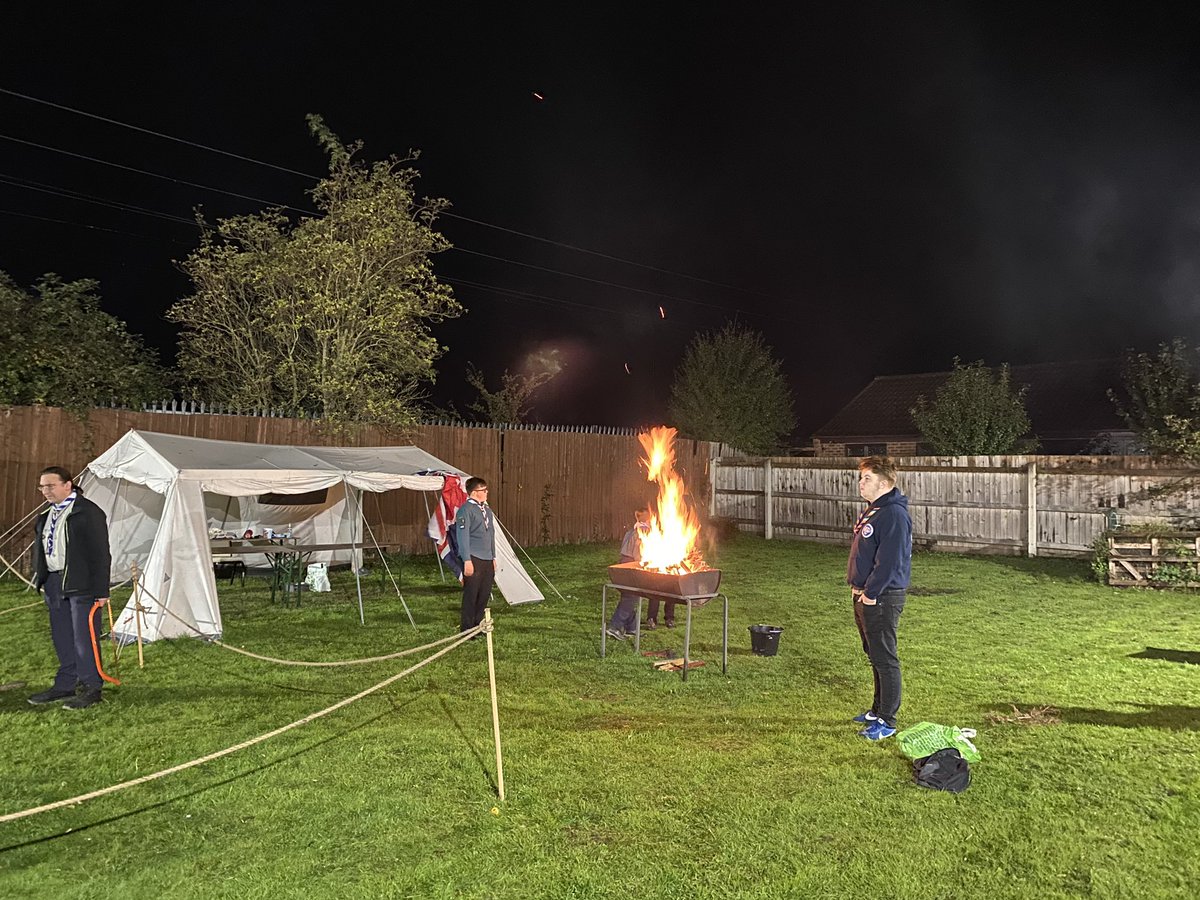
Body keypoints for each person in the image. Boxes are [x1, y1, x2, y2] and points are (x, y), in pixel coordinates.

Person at [28, 466, 112, 710]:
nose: (45, 491)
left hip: (81, 583)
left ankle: (91, 686)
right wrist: (41, 576)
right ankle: (65, 683)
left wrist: (101, 590)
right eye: (42, 486)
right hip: (54, 583)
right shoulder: (46, 515)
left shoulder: (88, 512)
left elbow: (100, 553)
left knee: (84, 637)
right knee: (62, 635)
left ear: (68, 485)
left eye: (50, 485)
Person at [846, 456, 912, 741]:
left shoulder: (894, 514)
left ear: (884, 483)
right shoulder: (876, 511)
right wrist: (858, 588)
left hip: (882, 597)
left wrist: (871, 593)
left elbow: (889, 562)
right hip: (866, 595)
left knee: (885, 658)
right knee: (873, 654)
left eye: (867, 479)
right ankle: (877, 710)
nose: (861, 483)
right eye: (861, 478)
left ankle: (888, 720)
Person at [455, 476, 496, 634]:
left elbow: (491, 534)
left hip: (487, 558)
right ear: (474, 493)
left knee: (484, 594)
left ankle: (478, 626)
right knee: (472, 594)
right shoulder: (465, 510)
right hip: (474, 557)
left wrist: (493, 557)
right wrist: (467, 560)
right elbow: (462, 537)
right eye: (483, 490)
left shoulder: (487, 510)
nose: (486, 493)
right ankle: (467, 629)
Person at [605, 506, 650, 641]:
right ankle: (615, 626)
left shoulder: (631, 530)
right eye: (648, 515)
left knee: (631, 594)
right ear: (640, 516)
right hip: (630, 565)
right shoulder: (642, 532)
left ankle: (632, 628)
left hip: (623, 563)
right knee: (631, 596)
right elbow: (638, 554)